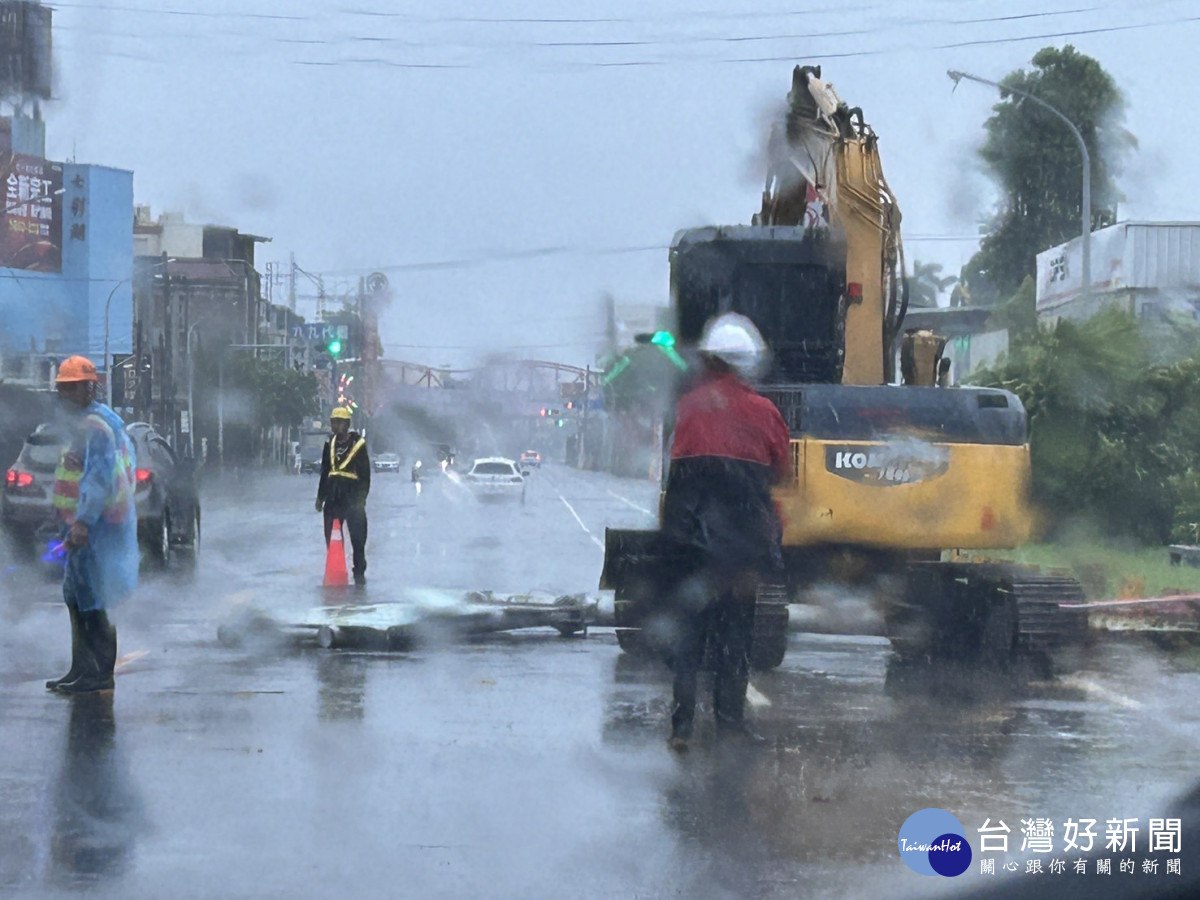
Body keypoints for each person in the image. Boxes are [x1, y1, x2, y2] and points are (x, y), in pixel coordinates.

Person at [659, 313, 791, 752]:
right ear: (749, 362)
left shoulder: (689, 409)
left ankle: (681, 729)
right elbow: (779, 473)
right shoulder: (766, 412)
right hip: (743, 552)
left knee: (689, 639)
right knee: (736, 639)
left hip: (693, 550)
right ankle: (730, 724)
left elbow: (676, 482)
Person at [46, 355, 139, 694]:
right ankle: (81, 668)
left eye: (73, 389)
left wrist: (82, 522)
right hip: (83, 525)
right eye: (63, 389)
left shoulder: (95, 426)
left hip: (93, 528)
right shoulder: (91, 421)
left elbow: (97, 479)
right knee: (76, 596)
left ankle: (99, 672)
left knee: (93, 598)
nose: (66, 396)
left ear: (89, 388)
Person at [315, 407, 371, 586]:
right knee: (331, 536)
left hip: (352, 496)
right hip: (333, 497)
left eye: (340, 422)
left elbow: (365, 475)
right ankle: (336, 569)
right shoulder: (328, 444)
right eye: (333, 422)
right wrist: (320, 497)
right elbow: (325, 472)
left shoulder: (358, 445)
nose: (336, 425)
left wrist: (361, 498)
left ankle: (359, 571)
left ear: (347, 424)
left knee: (358, 538)